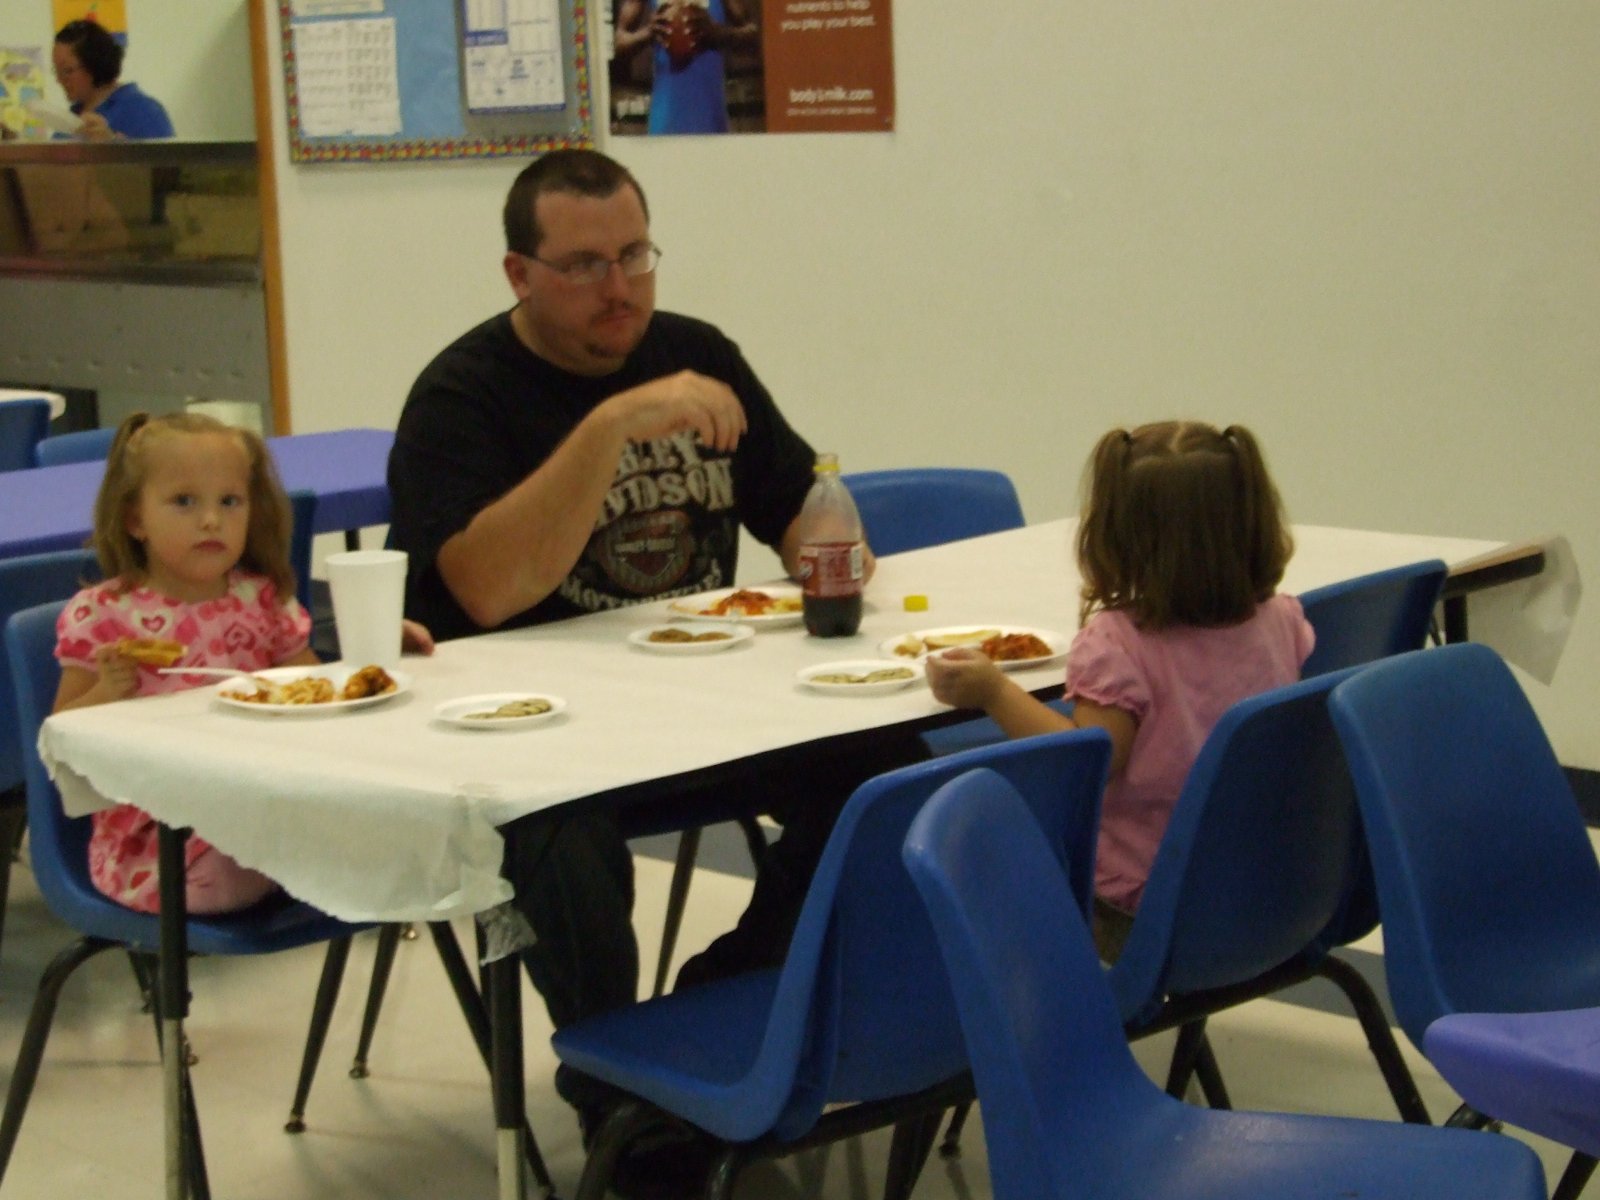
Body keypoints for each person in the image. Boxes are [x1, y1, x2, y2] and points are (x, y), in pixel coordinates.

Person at [387, 148, 921, 1181]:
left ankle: (718, 1011)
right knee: (560, 849)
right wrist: (612, 424)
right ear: (519, 275)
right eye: (584, 265)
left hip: (702, 710)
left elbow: (800, 513)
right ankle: (623, 1105)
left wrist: (830, 536)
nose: (620, 287)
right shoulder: (462, 395)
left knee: (890, 776)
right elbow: (486, 592)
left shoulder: (696, 353)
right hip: (536, 738)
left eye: (635, 255)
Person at [926, 420, 1315, 960]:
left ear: (1117, 537)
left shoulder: (1117, 645)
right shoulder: (1282, 619)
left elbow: (1084, 764)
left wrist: (994, 692)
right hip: (1267, 892)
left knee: (976, 845)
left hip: (1145, 911)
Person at [52, 411, 432, 915]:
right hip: (159, 831)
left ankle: (302, 863)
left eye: (229, 502)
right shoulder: (102, 614)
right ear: (135, 519)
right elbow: (59, 738)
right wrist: (105, 692)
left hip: (264, 799)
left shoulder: (262, 600)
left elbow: (317, 695)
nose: (211, 520)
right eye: (184, 501)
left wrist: (372, 655)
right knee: (231, 875)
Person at [612, 0, 758, 134]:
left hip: (711, 118)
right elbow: (618, 45)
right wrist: (649, 32)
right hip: (665, 120)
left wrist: (720, 33)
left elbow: (753, 37)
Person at [52, 20, 174, 141]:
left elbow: (168, 154)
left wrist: (112, 144)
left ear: (94, 64)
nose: (59, 79)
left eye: (67, 70)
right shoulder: (71, 117)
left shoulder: (144, 111)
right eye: (56, 71)